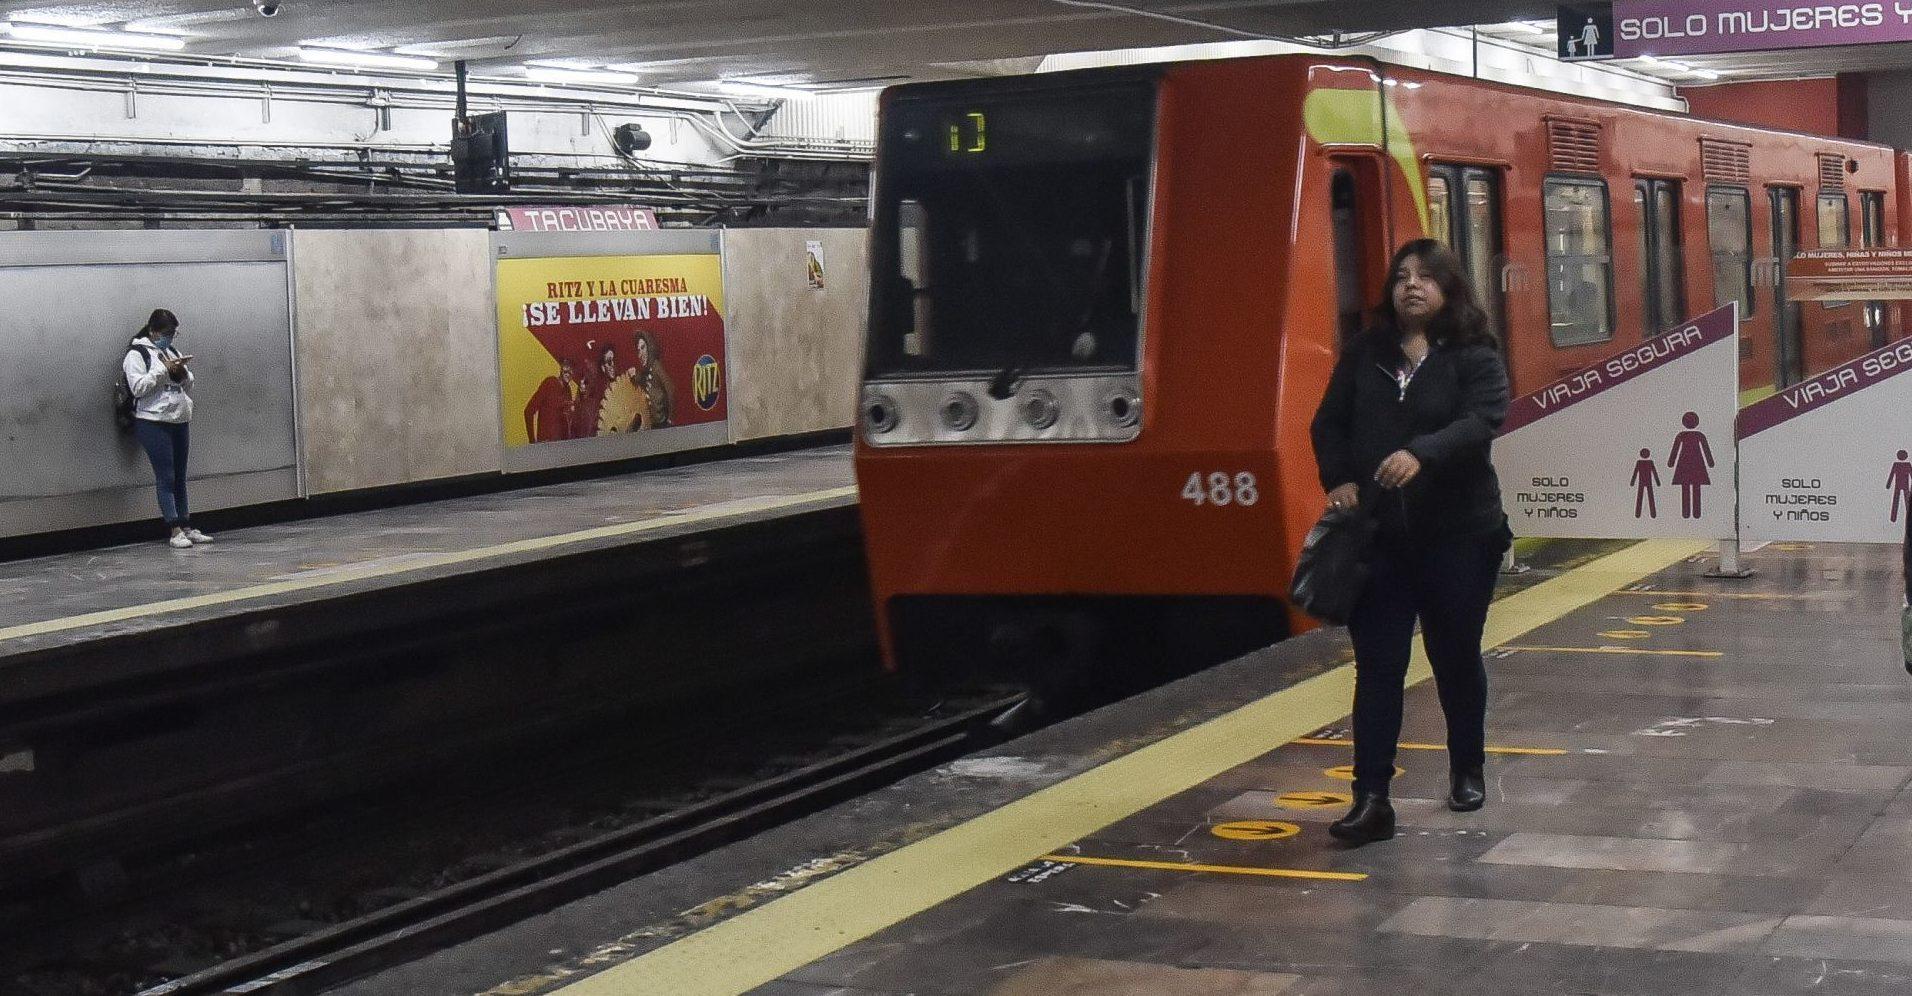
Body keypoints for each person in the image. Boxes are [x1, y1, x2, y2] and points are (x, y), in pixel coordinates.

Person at [1309, 239, 1512, 846]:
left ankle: (1467, 767)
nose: (1411, 287)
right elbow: (1328, 422)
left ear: (1450, 288)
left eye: (1425, 277)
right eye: (1401, 277)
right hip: (1380, 541)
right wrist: (1338, 476)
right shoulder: (1365, 352)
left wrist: (1420, 453)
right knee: (1378, 668)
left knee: (1454, 656)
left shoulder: (1474, 355)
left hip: (1459, 537)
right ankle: (1372, 800)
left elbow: (1482, 421)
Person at [124, 309, 212, 549]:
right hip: (152, 421)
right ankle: (173, 529)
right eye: (165, 334)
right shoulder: (137, 354)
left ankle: (186, 525)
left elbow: (188, 384)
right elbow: (138, 388)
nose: (170, 339)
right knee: (166, 476)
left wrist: (181, 372)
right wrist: (162, 370)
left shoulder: (172, 351)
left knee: (181, 476)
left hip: (179, 419)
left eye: (173, 334)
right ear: (152, 331)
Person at [524, 357, 580, 443]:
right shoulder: (550, 383)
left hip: (562, 445)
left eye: (571, 371)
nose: (568, 374)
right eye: (565, 370)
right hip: (546, 443)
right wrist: (532, 441)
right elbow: (528, 411)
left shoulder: (568, 390)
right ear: (561, 369)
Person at [628, 330, 675, 431]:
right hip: (652, 424)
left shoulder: (656, 367)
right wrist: (634, 376)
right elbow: (644, 382)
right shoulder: (648, 370)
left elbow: (670, 390)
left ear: (649, 348)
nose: (640, 354)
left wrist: (670, 418)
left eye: (643, 348)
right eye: (638, 350)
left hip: (661, 424)